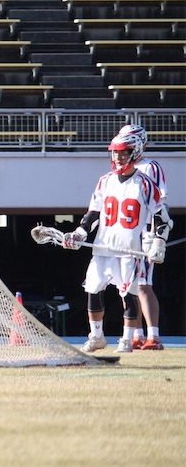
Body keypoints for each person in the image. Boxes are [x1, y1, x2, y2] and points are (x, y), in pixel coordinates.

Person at [62, 132, 168, 354]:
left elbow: (162, 218)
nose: (118, 158)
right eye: (115, 153)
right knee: (93, 289)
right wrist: (80, 233)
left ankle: (127, 340)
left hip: (129, 249)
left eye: (123, 153)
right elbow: (93, 213)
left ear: (135, 153)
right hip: (103, 247)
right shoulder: (105, 181)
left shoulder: (145, 184)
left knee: (129, 295)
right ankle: (97, 336)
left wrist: (159, 241)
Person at [117, 125, 171, 350]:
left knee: (144, 284)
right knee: (127, 287)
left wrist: (157, 235)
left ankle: (153, 336)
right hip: (127, 233)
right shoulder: (121, 171)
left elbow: (159, 202)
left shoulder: (150, 167)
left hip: (145, 232)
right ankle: (137, 334)